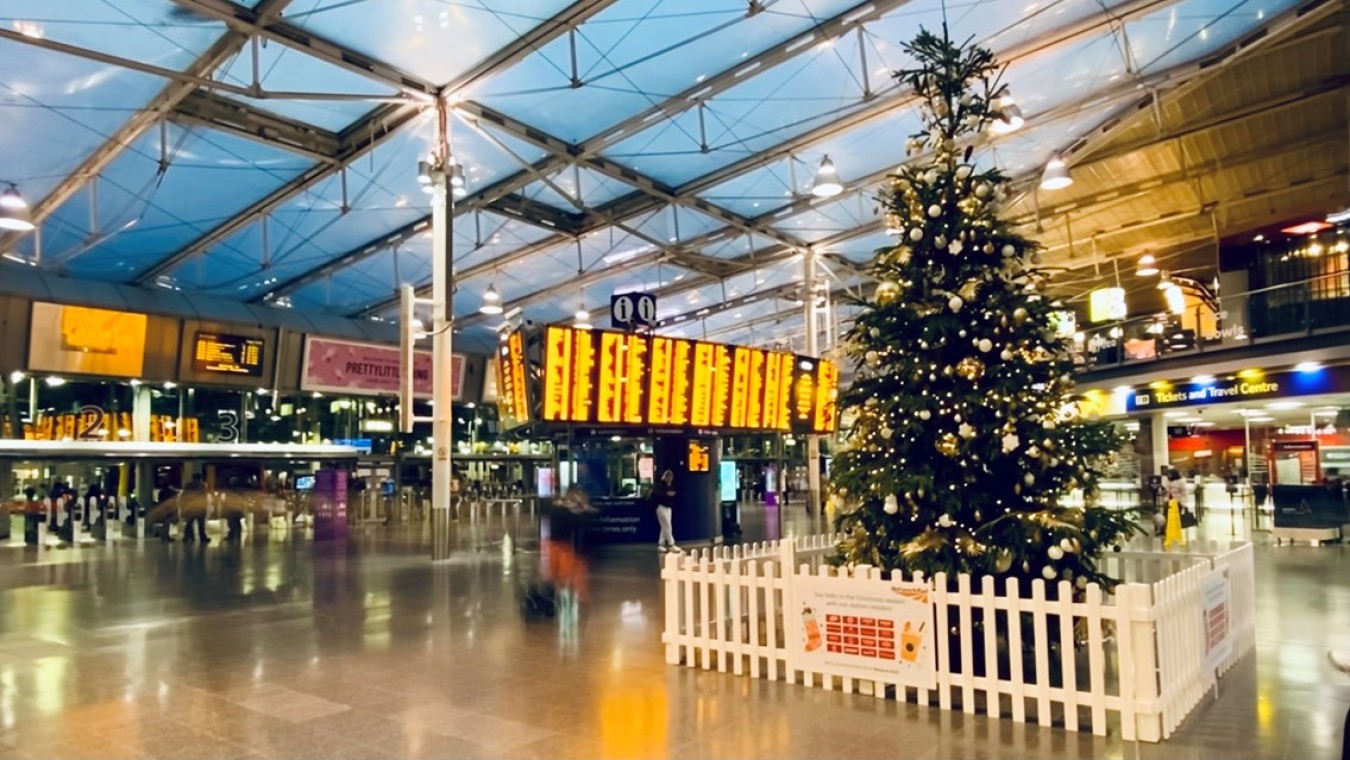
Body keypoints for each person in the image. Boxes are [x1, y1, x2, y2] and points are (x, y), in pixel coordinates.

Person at [652, 469, 681, 553]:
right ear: (666, 477)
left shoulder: (670, 485)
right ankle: (671, 544)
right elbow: (657, 494)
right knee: (667, 526)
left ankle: (661, 544)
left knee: (664, 526)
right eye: (670, 477)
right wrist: (667, 494)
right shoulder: (660, 485)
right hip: (661, 507)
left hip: (668, 507)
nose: (671, 479)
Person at [181, 475, 209, 544]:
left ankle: (187, 537)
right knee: (201, 524)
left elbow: (184, 495)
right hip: (199, 507)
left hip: (191, 507)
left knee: (189, 523)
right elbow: (204, 497)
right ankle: (202, 538)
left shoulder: (188, 485)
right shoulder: (202, 486)